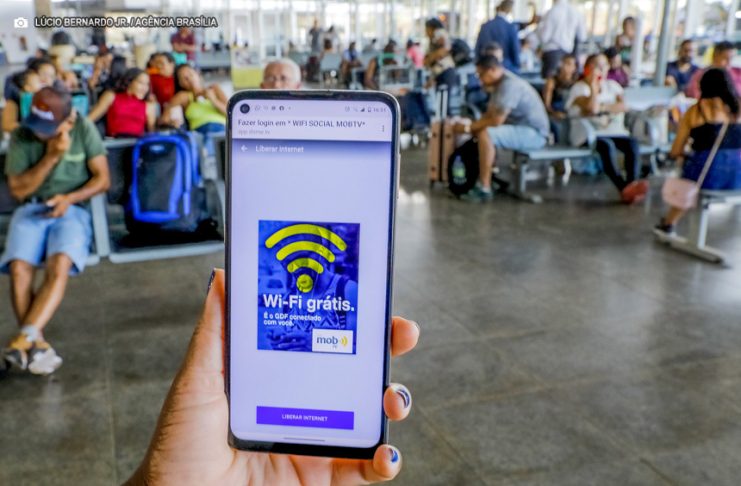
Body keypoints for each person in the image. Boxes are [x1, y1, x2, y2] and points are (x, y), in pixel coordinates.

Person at [122, 269, 418, 485]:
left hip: (329, 393)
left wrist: (312, 341)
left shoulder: (347, 290)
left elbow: (358, 343)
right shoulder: (294, 290)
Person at [1, 86, 110, 375]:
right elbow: (18, 190)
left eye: (47, 128)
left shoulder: (84, 129)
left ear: (68, 120)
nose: (39, 132)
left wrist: (69, 199)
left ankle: (23, 340)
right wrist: (51, 156)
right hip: (31, 208)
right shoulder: (22, 135)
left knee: (59, 263)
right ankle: (35, 343)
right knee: (19, 267)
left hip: (72, 208)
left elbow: (103, 180)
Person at [655, 69, 741, 236]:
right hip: (738, 178)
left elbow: (675, 151)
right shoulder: (738, 110)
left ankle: (669, 223)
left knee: (691, 173)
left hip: (707, 177)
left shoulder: (696, 111)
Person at [453, 55, 550, 202]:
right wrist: (473, 128)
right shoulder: (499, 85)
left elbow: (496, 121)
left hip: (535, 134)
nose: (479, 80)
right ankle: (490, 178)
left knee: (487, 134)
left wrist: (468, 128)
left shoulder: (509, 85)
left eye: (481, 75)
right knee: (482, 131)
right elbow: (489, 115)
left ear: (492, 70)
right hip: (522, 129)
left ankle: (484, 188)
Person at [566, 53, 648, 203]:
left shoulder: (612, 86)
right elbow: (592, 108)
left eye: (604, 66)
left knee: (632, 144)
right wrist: (593, 87)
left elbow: (623, 106)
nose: (602, 70)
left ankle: (632, 184)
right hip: (587, 134)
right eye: (597, 66)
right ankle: (623, 187)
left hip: (612, 131)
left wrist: (603, 107)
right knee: (606, 146)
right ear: (588, 68)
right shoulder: (579, 88)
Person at [162, 65, 227, 149]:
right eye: (184, 78)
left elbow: (230, 113)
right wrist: (171, 122)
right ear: (181, 83)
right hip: (198, 133)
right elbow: (164, 119)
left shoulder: (214, 88)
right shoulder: (183, 96)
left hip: (221, 130)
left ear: (197, 74)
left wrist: (213, 100)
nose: (189, 78)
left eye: (190, 74)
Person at [87, 68, 156, 138]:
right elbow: (90, 119)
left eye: (147, 84)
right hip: (115, 141)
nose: (145, 88)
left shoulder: (148, 105)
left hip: (137, 142)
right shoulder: (111, 96)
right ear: (129, 81)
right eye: (141, 83)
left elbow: (152, 133)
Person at [536, 0, 587, 78]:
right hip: (569, 53)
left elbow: (544, 37)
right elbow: (582, 37)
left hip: (552, 53)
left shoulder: (552, 12)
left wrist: (538, 26)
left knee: (550, 81)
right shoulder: (576, 12)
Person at [474, 0, 520, 72]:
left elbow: (478, 48)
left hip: (486, 68)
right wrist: (517, 68)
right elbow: (515, 50)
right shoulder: (510, 27)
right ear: (510, 10)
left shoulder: (485, 26)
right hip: (505, 69)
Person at [1, 69, 43, 134]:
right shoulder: (28, 97)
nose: (42, 83)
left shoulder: (25, 97)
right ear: (27, 88)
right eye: (38, 82)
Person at [424, 18, 459, 90]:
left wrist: (431, 58)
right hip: (440, 73)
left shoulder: (438, 32)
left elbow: (442, 51)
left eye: (427, 29)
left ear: (431, 27)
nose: (426, 32)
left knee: (445, 95)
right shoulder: (431, 42)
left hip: (445, 71)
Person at [542, 53, 578, 118]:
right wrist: (554, 113)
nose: (565, 66)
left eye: (569, 64)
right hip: (554, 114)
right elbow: (546, 105)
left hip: (571, 114)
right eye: (564, 63)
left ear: (574, 68)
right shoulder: (551, 81)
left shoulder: (576, 82)